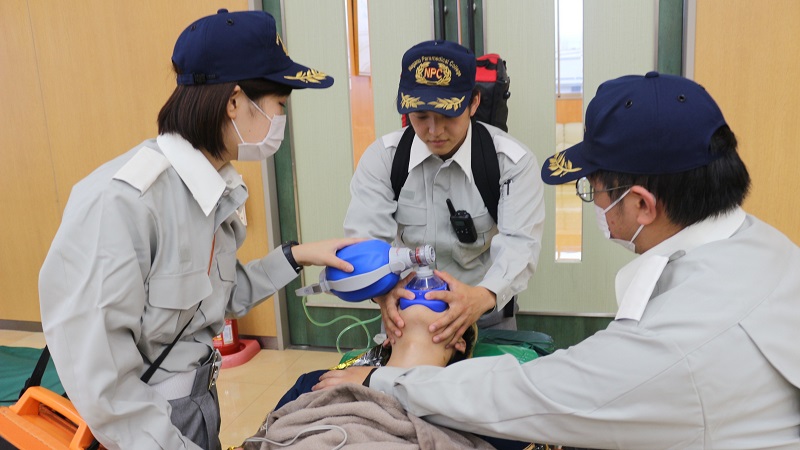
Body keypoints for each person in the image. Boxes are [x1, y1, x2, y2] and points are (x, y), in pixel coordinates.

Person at [317, 72, 800, 448]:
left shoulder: (675, 347)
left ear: (641, 204)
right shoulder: (770, 247)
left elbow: (533, 394)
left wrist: (389, 381)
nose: (433, 129)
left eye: (593, 189)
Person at [38, 9, 361, 450]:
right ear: (234, 102)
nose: (280, 121)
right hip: (147, 426)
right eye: (279, 106)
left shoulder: (214, 188)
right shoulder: (123, 202)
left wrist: (296, 256)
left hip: (195, 407)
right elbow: (106, 387)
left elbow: (211, 301)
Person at [343, 40, 545, 349]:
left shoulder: (511, 162)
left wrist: (480, 298)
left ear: (473, 103)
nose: (434, 130)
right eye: (421, 115)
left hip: (485, 313)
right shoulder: (383, 159)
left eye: (447, 114)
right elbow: (365, 242)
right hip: (406, 313)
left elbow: (520, 246)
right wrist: (383, 294)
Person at [234, 304, 532, 450]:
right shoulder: (317, 380)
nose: (423, 290)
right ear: (389, 334)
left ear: (459, 341)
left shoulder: (469, 397)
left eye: (439, 297)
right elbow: (265, 438)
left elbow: (524, 431)